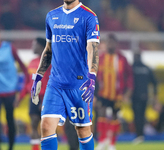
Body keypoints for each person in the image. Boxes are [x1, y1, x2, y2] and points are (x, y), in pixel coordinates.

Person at [30, 0, 100, 150]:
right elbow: (49, 49)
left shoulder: (89, 16)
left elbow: (93, 48)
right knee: (46, 126)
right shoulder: (51, 16)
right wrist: (38, 76)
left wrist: (92, 76)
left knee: (83, 130)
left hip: (79, 85)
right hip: (55, 84)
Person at [95, 34, 133, 150]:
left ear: (116, 44)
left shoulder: (122, 58)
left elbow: (129, 76)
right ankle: (102, 141)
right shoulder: (100, 58)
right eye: (108, 42)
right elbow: (93, 76)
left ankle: (112, 143)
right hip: (102, 93)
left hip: (117, 94)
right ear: (105, 43)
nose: (110, 45)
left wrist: (128, 93)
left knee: (115, 117)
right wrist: (93, 94)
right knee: (101, 114)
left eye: (112, 42)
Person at [19, 38, 51, 150]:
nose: (32, 47)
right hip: (33, 98)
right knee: (33, 124)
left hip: (45, 98)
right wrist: (20, 97)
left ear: (42, 46)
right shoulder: (32, 62)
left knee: (46, 126)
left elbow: (50, 82)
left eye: (34, 44)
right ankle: (35, 148)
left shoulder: (49, 62)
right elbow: (27, 82)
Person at [132, 51, 158, 144]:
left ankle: (139, 135)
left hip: (135, 96)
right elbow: (155, 82)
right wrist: (155, 96)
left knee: (137, 116)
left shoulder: (132, 68)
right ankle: (141, 135)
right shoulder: (146, 68)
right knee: (141, 116)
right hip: (144, 96)